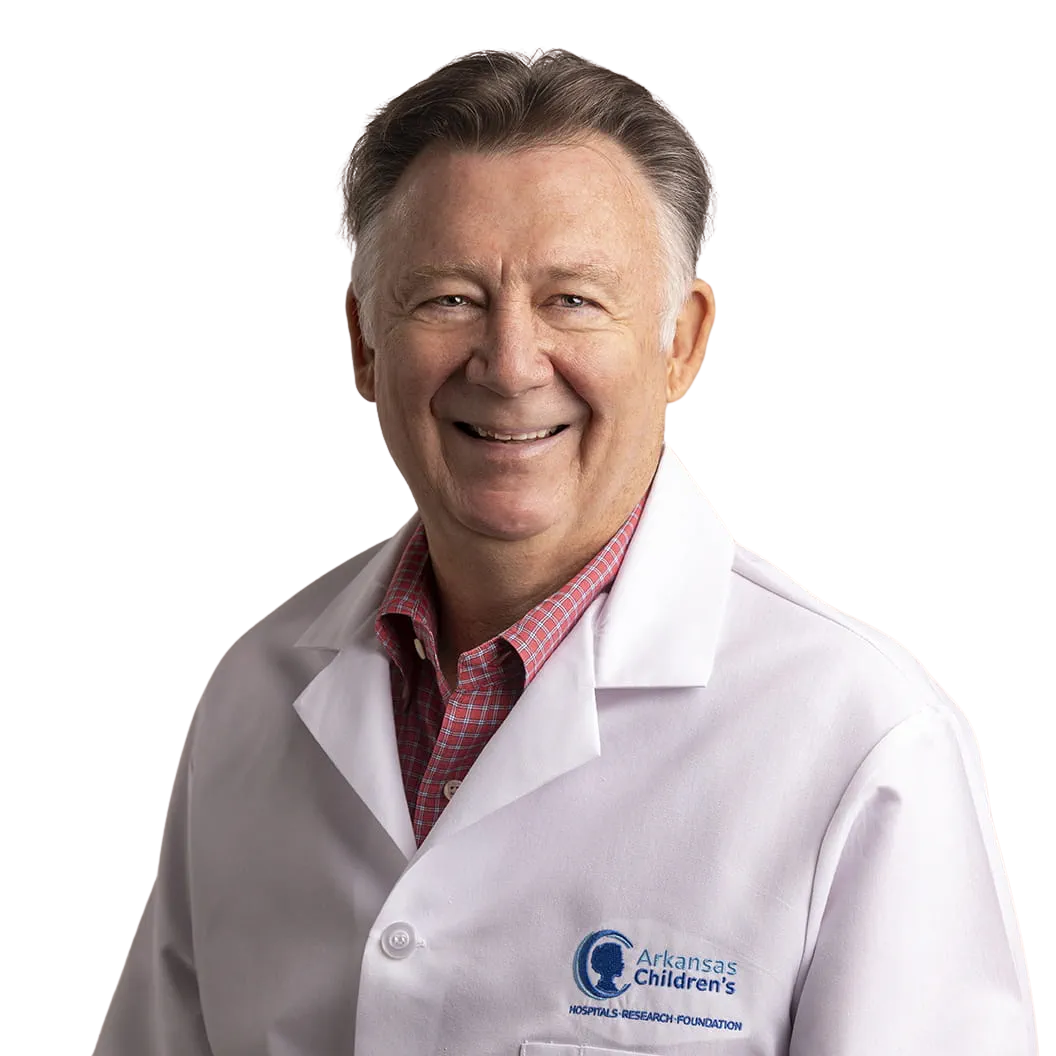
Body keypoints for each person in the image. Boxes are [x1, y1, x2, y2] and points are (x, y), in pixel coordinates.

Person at [94, 48, 1037, 1055]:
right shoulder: (252, 695)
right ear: (364, 345)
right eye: (449, 296)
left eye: (573, 299)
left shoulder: (866, 736)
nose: (508, 364)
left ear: (684, 342)